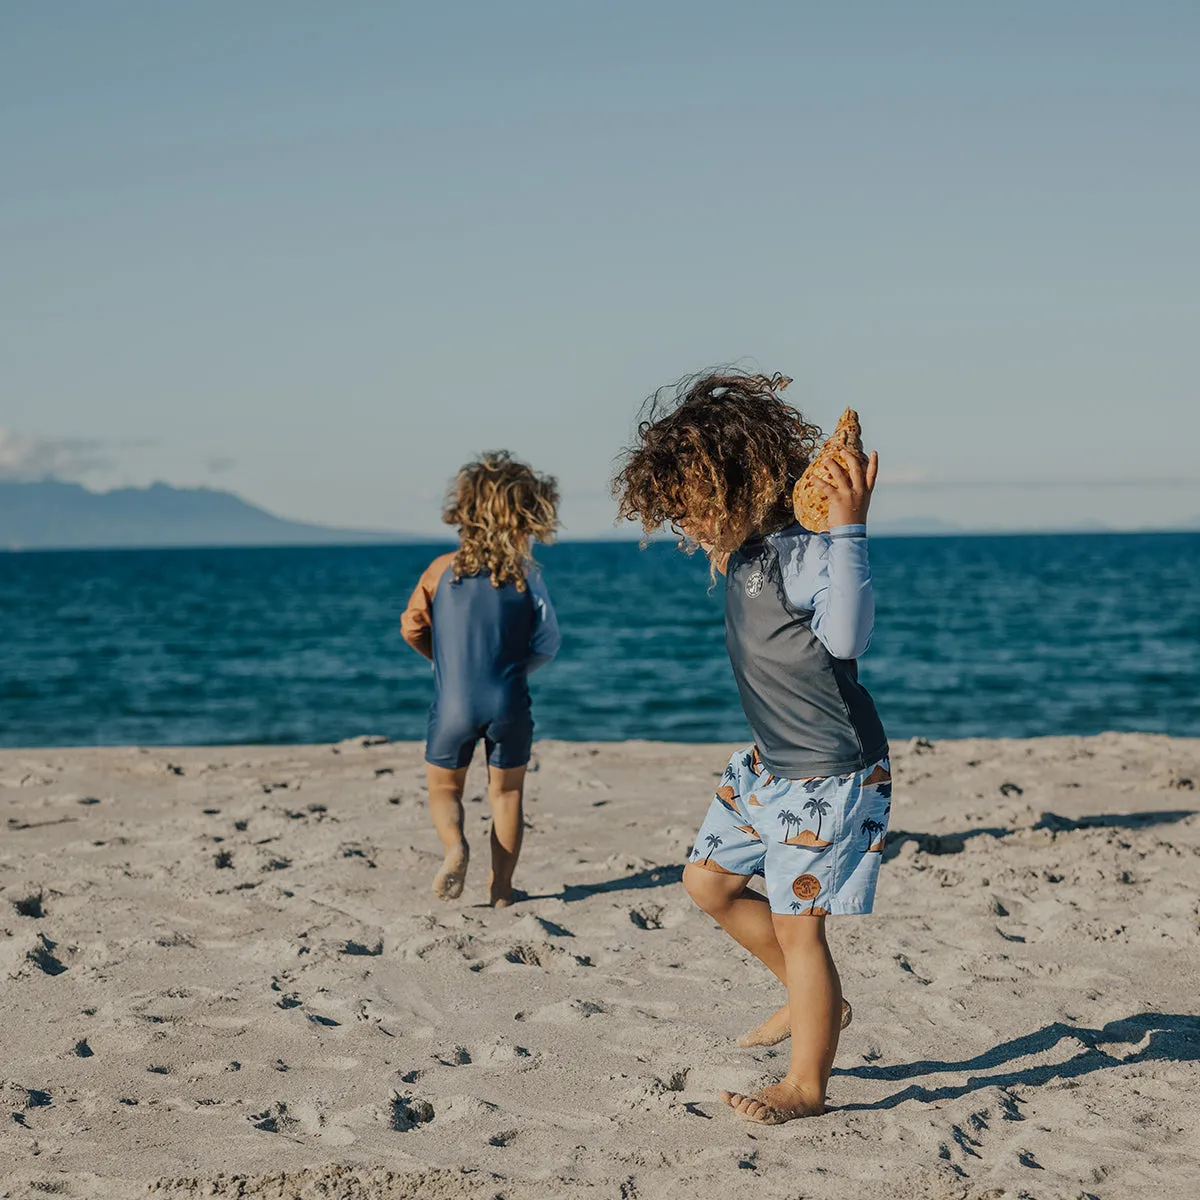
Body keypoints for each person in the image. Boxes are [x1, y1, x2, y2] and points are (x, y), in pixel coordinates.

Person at [612, 371, 890, 1123]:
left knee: (804, 929)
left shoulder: (805, 553)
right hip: (769, 763)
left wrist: (848, 531)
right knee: (707, 882)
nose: (689, 527)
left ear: (740, 484)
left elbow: (848, 637)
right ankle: (811, 1002)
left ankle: (805, 1087)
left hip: (831, 772)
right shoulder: (748, 548)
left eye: (693, 510)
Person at [401, 451, 561, 907]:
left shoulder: (439, 569)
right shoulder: (525, 573)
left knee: (444, 789)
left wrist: (443, 662)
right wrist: (511, 669)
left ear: (464, 511)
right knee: (507, 795)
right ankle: (502, 890)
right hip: (509, 698)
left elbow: (411, 626)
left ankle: (455, 846)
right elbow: (549, 642)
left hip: (452, 702)